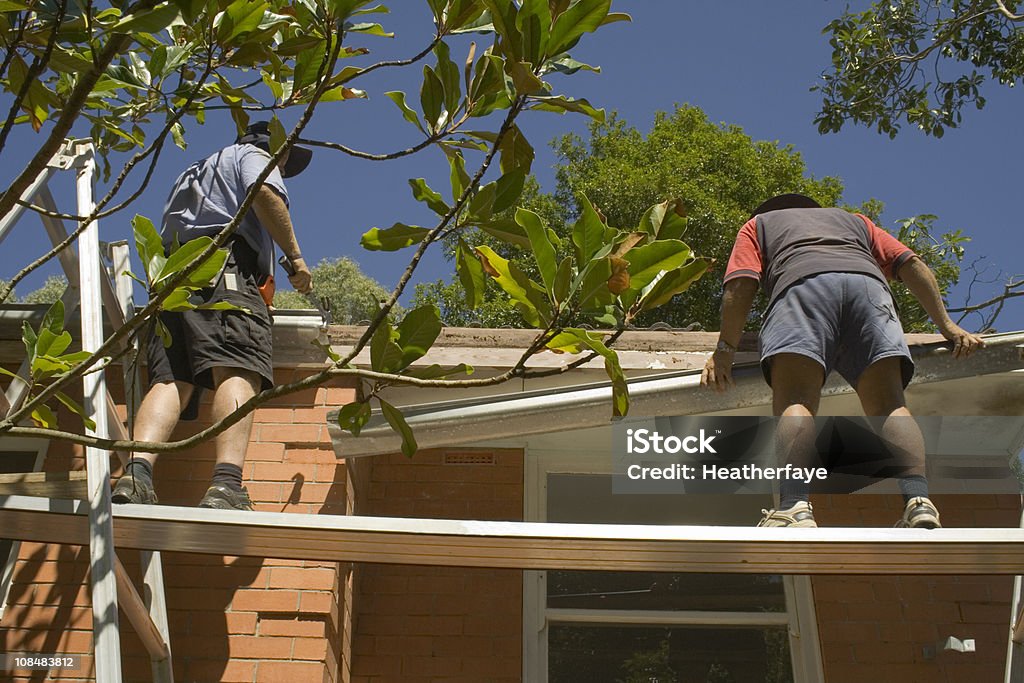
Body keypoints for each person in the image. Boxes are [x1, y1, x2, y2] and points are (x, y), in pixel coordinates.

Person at [700, 193, 984, 528]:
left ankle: (794, 508)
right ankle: (919, 502)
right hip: (870, 291)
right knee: (890, 406)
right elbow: (912, 265)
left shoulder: (758, 225)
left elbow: (742, 283)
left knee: (797, 402)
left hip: (801, 289)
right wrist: (948, 326)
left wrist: (724, 350)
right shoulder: (854, 221)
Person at [112, 122, 314, 510]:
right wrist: (297, 259)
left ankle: (136, 475)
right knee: (237, 366)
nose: (285, 168)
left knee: (173, 378)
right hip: (224, 271)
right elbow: (263, 194)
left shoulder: (196, 171)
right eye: (286, 160)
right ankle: (227, 485)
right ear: (276, 147)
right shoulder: (256, 157)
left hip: (174, 278)